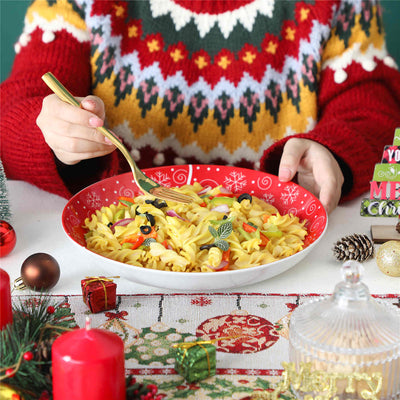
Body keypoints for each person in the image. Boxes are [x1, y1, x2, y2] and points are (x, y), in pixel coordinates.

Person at [1, 0, 399, 214]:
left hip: (284, 244)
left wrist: (332, 150)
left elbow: (373, 111)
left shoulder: (340, 5)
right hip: (118, 247)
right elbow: (16, 106)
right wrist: (51, 131)